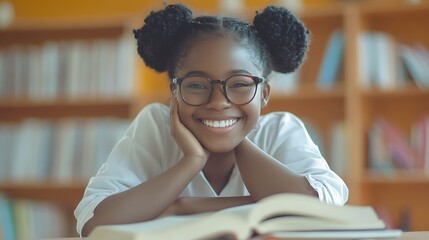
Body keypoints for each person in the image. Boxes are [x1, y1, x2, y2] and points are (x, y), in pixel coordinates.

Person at [75, 3, 348, 236]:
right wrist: (191, 161)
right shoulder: (155, 126)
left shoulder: (280, 129)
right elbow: (94, 223)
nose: (218, 102)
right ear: (173, 92)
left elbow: (323, 211)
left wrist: (181, 207)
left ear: (264, 94)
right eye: (196, 85)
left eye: (240, 84)